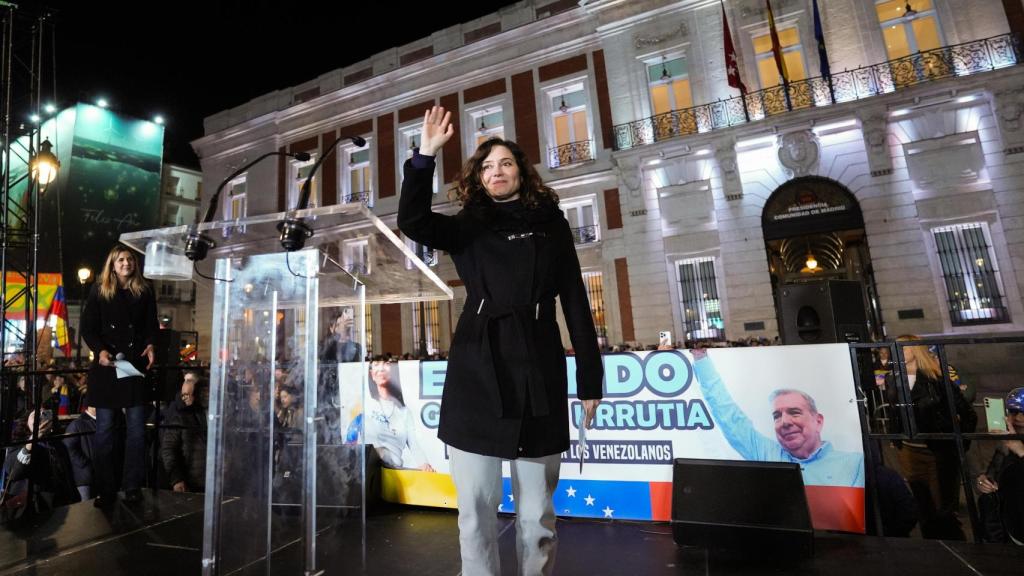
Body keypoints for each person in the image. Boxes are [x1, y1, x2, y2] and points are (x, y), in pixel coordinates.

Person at [397, 106, 603, 576]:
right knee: (474, 515)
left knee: (537, 519)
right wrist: (425, 154)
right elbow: (412, 220)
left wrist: (591, 378)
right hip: (477, 367)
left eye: (505, 163)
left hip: (539, 365)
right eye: (487, 166)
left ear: (521, 172)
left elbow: (574, 300)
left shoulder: (552, 223)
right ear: (478, 177)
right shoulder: (468, 224)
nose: (497, 171)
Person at [690, 348, 864, 487]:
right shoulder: (767, 453)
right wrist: (701, 359)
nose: (785, 422)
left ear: (818, 421)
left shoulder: (855, 464)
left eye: (794, 412)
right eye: (777, 416)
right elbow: (729, 416)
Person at [80, 244, 158, 507]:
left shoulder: (145, 291)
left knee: (136, 430)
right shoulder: (99, 291)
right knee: (104, 432)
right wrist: (100, 351)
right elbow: (88, 328)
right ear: (112, 264)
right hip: (107, 367)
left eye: (130, 259)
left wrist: (150, 344)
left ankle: (132, 486)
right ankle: (106, 490)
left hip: (133, 366)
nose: (126, 263)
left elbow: (151, 325)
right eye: (121, 259)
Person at [893, 334, 977, 540]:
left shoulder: (936, 378)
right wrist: (896, 441)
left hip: (937, 452)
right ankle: (932, 551)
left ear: (917, 350)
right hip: (910, 452)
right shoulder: (893, 379)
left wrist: (958, 446)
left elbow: (967, 414)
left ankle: (957, 550)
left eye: (903, 348)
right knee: (923, 508)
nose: (898, 352)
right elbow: (895, 414)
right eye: (896, 348)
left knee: (943, 510)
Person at [1, 409, 79, 523]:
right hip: (31, 506)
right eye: (35, 415)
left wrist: (74, 497)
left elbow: (67, 474)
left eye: (44, 415)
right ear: (27, 421)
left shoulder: (57, 444)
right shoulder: (18, 443)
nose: (40, 418)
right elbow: (15, 473)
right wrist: (33, 439)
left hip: (59, 503)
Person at [364, 359, 434, 471]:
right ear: (371, 374)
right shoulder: (365, 405)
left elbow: (414, 443)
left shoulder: (404, 411)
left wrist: (424, 464)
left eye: (386, 364)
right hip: (368, 469)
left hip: (394, 472)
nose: (381, 369)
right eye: (376, 365)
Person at [976, 387, 1024, 544]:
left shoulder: (1014, 445)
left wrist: (1021, 451)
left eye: (1023, 413)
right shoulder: (1005, 444)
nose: (1017, 418)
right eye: (1013, 411)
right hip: (1009, 528)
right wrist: (984, 483)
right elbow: (993, 476)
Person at [161, 372, 207, 493]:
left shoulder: (210, 414)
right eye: (184, 396)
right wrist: (177, 479)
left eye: (189, 395)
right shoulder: (179, 415)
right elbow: (168, 448)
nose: (187, 399)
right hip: (192, 482)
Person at [63, 405, 98, 501]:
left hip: (98, 476)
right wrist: (86, 464)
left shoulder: (103, 422)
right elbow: (68, 447)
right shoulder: (77, 424)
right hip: (84, 479)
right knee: (86, 510)